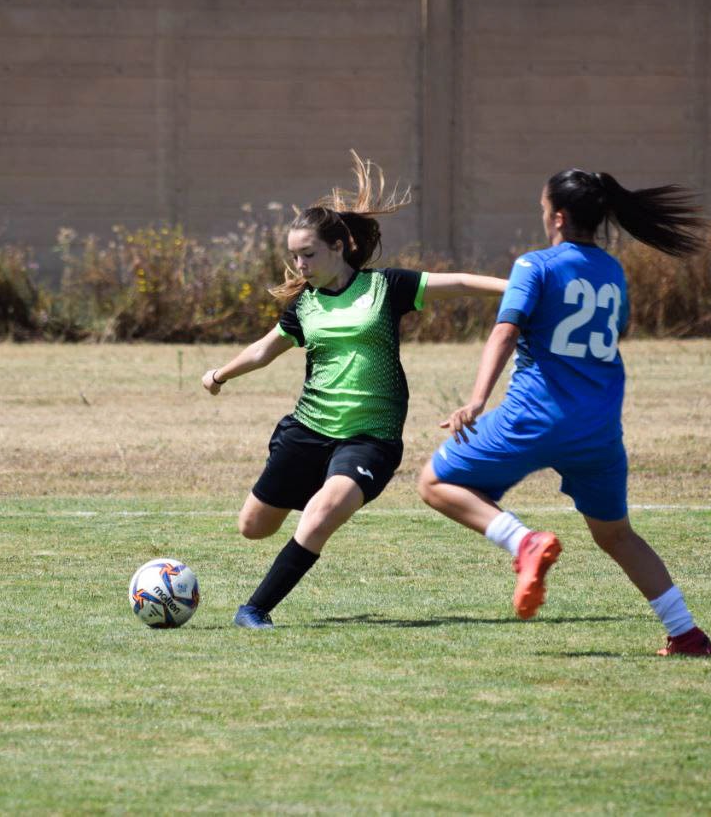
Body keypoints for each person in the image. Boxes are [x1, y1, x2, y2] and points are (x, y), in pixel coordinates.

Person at [416, 168, 711, 656]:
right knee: (616, 535)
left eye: (541, 208)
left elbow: (506, 332)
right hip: (598, 427)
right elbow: (614, 333)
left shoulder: (535, 265)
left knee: (433, 482)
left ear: (557, 216)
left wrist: (476, 399)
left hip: (534, 415)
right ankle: (687, 634)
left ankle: (523, 542)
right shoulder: (613, 270)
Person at [202, 152, 507, 629]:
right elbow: (264, 351)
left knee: (322, 514)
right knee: (253, 528)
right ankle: (321, 492)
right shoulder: (303, 307)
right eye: (295, 256)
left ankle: (254, 609)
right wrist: (220, 374)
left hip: (371, 437)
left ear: (339, 246)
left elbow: (462, 282)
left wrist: (523, 287)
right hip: (307, 430)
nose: (300, 264)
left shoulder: (386, 288)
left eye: (309, 254)